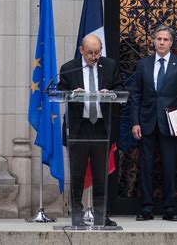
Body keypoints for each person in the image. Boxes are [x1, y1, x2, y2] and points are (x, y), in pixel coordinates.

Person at [129, 25, 177, 221]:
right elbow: (135, 96)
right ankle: (147, 208)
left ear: (171, 43)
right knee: (146, 166)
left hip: (170, 124)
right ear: (153, 41)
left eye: (165, 39)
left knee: (169, 166)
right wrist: (135, 122)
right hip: (147, 122)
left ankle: (169, 208)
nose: (162, 42)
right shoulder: (144, 64)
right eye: (158, 39)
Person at [57, 33, 122, 226]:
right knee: (77, 175)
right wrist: (70, 93)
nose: (94, 57)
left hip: (102, 128)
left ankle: (101, 216)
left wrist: (110, 93)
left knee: (101, 175)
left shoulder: (109, 65)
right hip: (78, 128)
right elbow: (60, 91)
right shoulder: (69, 68)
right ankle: (76, 216)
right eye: (90, 53)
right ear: (82, 51)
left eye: (97, 52)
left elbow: (120, 87)